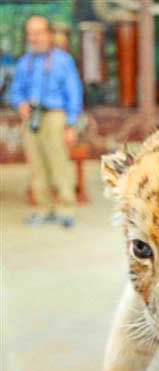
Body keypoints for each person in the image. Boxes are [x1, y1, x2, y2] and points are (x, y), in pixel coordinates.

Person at [10, 16, 83, 228]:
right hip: (31, 117)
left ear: (49, 34)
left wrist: (71, 124)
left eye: (39, 32)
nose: (35, 37)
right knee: (36, 165)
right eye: (31, 33)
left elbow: (74, 93)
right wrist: (20, 103)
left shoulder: (63, 60)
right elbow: (16, 91)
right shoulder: (25, 62)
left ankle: (66, 209)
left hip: (55, 116)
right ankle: (43, 208)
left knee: (59, 162)